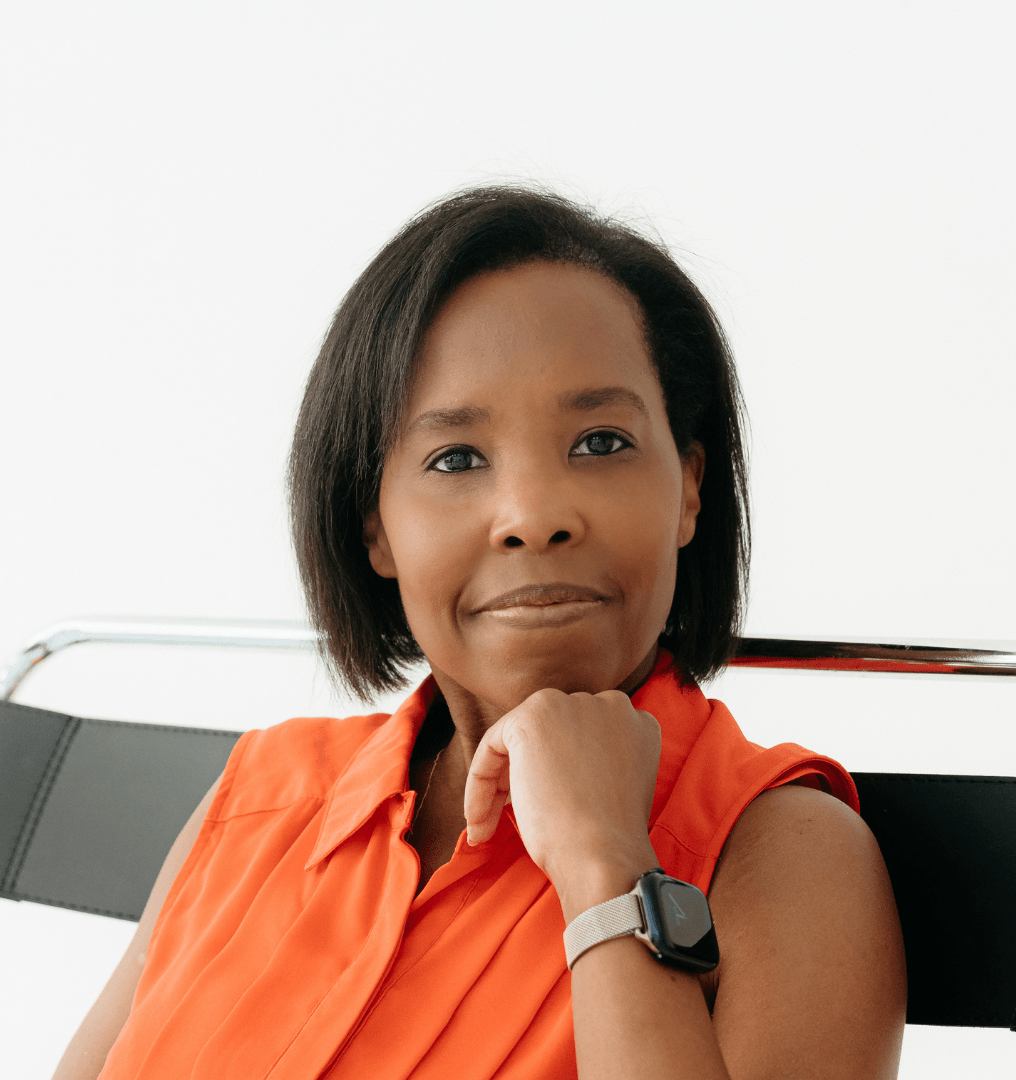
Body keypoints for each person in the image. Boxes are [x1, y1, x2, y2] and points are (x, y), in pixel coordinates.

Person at [55, 187, 906, 1079]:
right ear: (375, 527)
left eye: (601, 442)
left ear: (689, 488)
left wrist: (605, 865)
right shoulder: (260, 798)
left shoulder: (784, 857)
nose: (532, 517)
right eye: (455, 458)